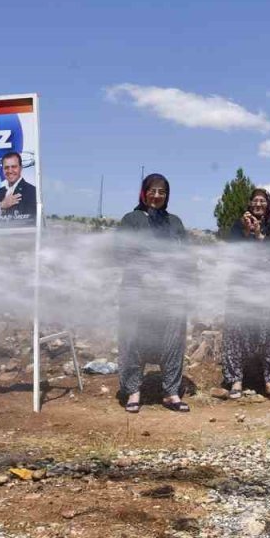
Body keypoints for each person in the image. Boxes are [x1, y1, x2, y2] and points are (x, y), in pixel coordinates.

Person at [116, 173, 191, 414]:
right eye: (152, 191)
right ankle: (133, 391)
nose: (157, 196)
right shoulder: (131, 219)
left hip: (170, 294)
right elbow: (119, 251)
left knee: (172, 340)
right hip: (136, 292)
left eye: (162, 192)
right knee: (133, 339)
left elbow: (185, 255)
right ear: (144, 192)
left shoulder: (175, 222)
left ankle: (170, 392)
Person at [221, 188, 270, 401]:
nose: (258, 204)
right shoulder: (238, 226)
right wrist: (245, 233)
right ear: (249, 204)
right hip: (241, 289)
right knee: (235, 331)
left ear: (268, 204)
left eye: (262, 201)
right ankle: (235, 380)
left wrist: (260, 236)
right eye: (255, 201)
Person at [0, 152, 37, 227]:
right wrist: (1, 206)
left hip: (23, 238)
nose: (10, 171)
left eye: (14, 167)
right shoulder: (0, 192)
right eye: (6, 167)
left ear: (21, 168)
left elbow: (32, 220)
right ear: (3, 170)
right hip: (1, 238)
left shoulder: (31, 191)